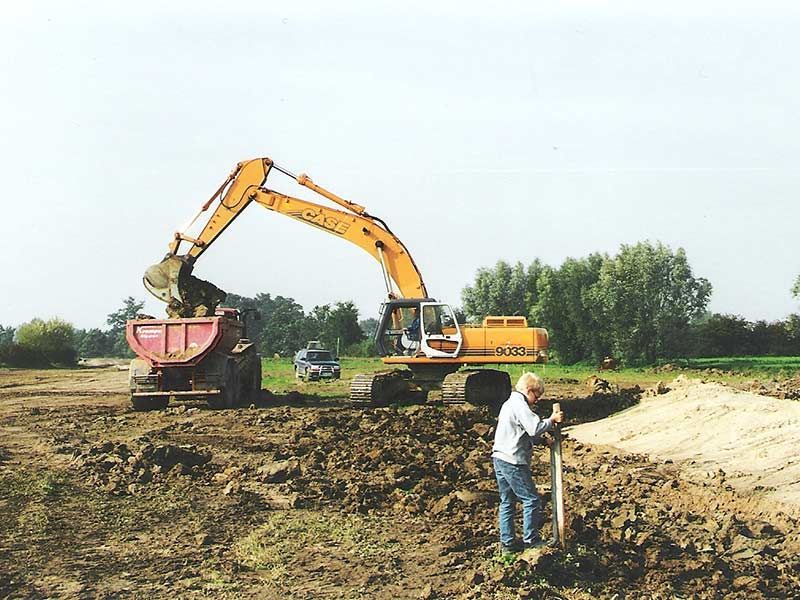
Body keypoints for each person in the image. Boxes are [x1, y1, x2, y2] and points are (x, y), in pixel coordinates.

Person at [491, 372, 563, 553]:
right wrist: (552, 420)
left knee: (507, 501)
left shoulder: (509, 403)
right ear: (529, 390)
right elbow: (534, 427)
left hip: (500, 457)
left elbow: (519, 430)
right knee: (531, 500)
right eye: (536, 397)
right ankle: (531, 540)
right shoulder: (519, 404)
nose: (536, 401)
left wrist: (542, 440)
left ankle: (508, 544)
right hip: (512, 461)